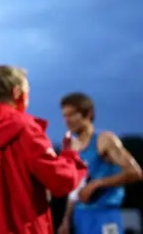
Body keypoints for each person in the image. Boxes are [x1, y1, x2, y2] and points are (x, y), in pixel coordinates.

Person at [0, 65, 88, 234]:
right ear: (17, 93)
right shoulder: (25, 128)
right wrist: (70, 155)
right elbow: (60, 180)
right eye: (27, 92)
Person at [57, 93, 142, 234]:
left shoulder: (104, 140)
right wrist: (66, 219)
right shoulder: (70, 147)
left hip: (105, 214)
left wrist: (98, 183)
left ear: (88, 114)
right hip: (80, 216)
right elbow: (75, 187)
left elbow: (135, 172)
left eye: (72, 114)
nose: (67, 120)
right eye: (64, 116)